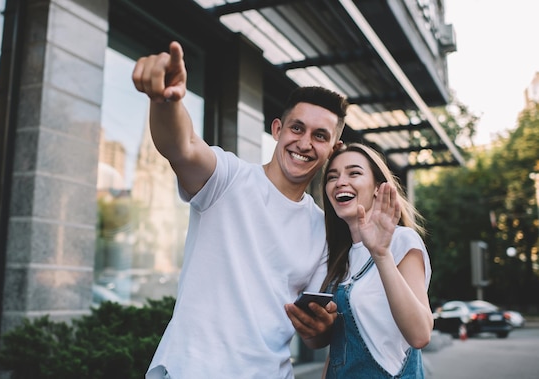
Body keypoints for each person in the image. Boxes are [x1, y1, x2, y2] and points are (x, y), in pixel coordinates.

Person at [132, 41, 349, 378]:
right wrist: (165, 100)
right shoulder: (229, 177)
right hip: (191, 370)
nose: (305, 143)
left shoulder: (324, 230)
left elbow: (315, 333)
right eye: (296, 128)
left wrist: (320, 327)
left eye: (320, 136)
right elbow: (183, 146)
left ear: (333, 149)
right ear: (277, 130)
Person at [315, 143, 433, 378]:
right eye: (332, 176)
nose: (340, 182)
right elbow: (339, 349)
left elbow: (420, 334)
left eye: (354, 173)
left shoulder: (401, 240)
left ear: (378, 188)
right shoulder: (339, 256)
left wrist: (381, 254)